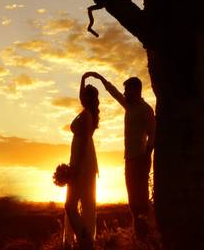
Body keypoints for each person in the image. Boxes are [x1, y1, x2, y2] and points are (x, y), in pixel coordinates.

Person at [84, 71, 155, 239]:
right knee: (132, 200)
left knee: (141, 199)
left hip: (141, 158)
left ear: (136, 90)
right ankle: (140, 234)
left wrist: (147, 156)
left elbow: (153, 134)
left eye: (127, 91)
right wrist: (100, 78)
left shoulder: (146, 109)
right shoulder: (128, 106)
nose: (124, 94)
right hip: (129, 158)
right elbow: (114, 92)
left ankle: (146, 235)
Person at [64, 77, 99, 250]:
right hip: (79, 160)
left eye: (84, 95)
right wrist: (84, 78)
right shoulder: (86, 112)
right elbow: (80, 95)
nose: (81, 97)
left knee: (71, 204)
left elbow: (84, 143)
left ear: (88, 98)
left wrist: (76, 168)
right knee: (73, 203)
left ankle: (84, 237)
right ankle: (83, 238)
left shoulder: (86, 116)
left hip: (82, 162)